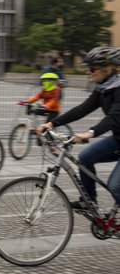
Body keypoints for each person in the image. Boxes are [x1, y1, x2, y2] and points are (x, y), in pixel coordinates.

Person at [37, 46, 120, 211]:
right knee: (85, 158)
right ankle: (89, 202)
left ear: (107, 68)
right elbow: (82, 109)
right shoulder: (103, 89)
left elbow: (114, 118)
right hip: (118, 140)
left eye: (92, 69)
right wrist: (52, 123)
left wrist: (90, 133)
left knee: (116, 187)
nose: (89, 72)